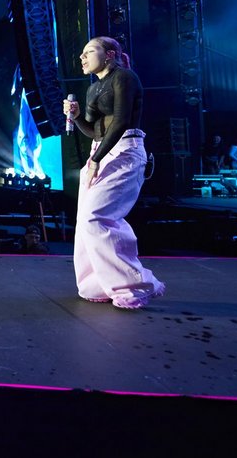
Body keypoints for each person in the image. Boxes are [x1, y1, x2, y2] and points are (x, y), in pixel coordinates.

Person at [64, 36, 165, 309]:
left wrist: (96, 158)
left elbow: (120, 121)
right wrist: (75, 118)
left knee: (96, 216)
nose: (82, 58)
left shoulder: (125, 78)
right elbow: (93, 130)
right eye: (82, 53)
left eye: (89, 51)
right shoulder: (93, 88)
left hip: (124, 151)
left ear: (109, 54)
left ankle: (135, 285)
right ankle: (98, 283)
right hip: (100, 151)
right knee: (86, 223)